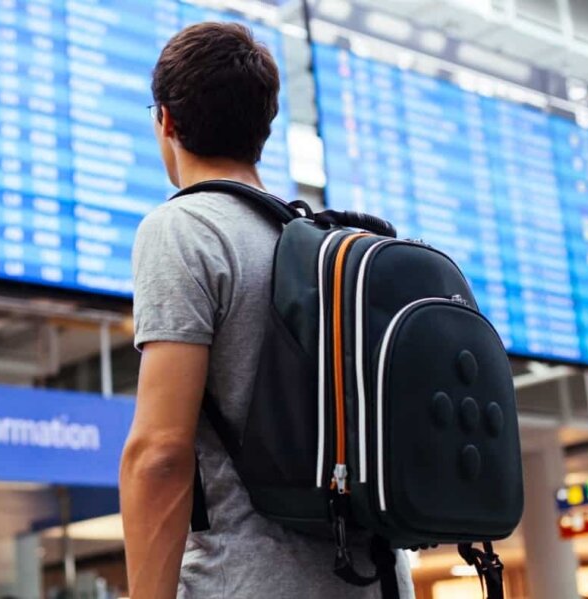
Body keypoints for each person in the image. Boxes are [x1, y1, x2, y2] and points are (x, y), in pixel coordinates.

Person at [119, 22, 413, 599]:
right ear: (265, 129)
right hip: (377, 582)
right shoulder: (325, 248)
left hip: (250, 581)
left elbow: (158, 454)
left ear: (167, 122)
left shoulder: (184, 228)